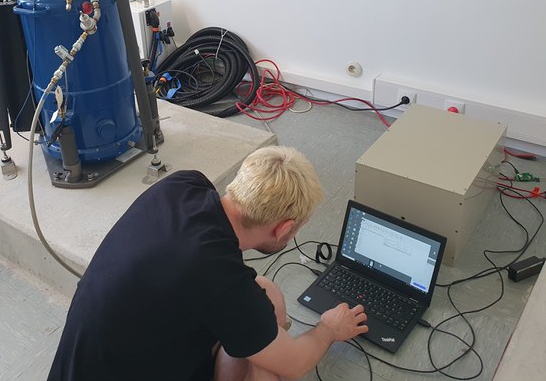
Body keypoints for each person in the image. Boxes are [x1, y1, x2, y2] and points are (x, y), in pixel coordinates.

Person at [47, 145, 368, 381]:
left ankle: (259, 342)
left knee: (265, 291)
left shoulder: (184, 185)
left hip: (81, 366)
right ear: (284, 228)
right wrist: (328, 329)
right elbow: (297, 363)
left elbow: (213, 282)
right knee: (270, 373)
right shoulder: (217, 279)